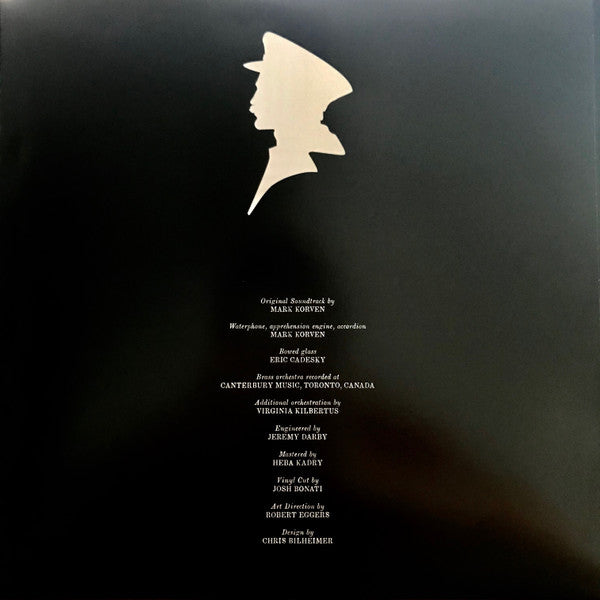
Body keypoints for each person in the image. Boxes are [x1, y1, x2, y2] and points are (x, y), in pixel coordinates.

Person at [244, 32, 352, 215]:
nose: (252, 101)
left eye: (262, 90)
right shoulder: (289, 154)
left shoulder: (309, 170)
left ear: (291, 100)